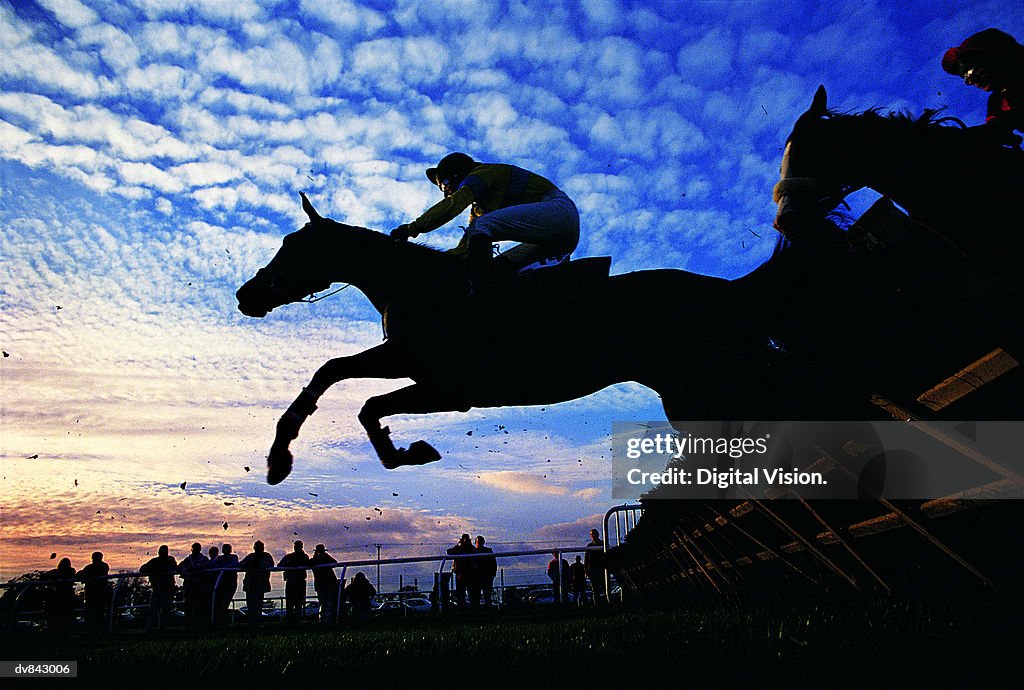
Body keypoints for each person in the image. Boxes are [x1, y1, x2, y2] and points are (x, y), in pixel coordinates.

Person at [391, 152, 580, 293]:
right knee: (498, 267)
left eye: (445, 183)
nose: (445, 191)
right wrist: (433, 265)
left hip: (559, 211)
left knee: (480, 231)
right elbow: (465, 250)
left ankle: (481, 293)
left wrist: (411, 229)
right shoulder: (480, 210)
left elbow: (453, 204)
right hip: (555, 242)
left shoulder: (483, 173)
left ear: (458, 174)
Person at [941, 28, 1024, 141]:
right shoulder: (998, 104)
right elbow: (994, 130)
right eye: (964, 77)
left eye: (969, 69)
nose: (971, 80)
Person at [139, 545, 178, 632]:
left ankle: (161, 628)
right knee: (154, 609)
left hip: (166, 589)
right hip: (158, 589)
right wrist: (154, 570)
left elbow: (175, 568)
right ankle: (150, 629)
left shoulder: (170, 560)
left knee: (164, 610)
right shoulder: (155, 561)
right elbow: (142, 569)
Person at [238, 540, 274, 626]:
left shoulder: (266, 556)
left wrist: (258, 565)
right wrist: (249, 565)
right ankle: (251, 622)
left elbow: (270, 565)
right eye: (257, 547)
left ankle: (257, 622)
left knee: (258, 604)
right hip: (250, 584)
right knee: (250, 604)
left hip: (260, 584)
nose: (258, 549)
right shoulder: (250, 556)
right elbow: (241, 564)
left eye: (260, 547)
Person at [178, 542, 211, 630]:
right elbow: (180, 567)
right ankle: (188, 626)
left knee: (198, 607)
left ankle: (197, 625)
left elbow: (208, 567)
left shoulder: (203, 560)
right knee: (189, 606)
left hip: (199, 587)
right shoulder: (188, 560)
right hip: (190, 586)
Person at [78, 551, 112, 634]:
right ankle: (94, 630)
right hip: (94, 594)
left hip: (96, 594)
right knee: (93, 612)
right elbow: (81, 574)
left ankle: (96, 630)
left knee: (97, 612)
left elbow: (83, 573)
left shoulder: (101, 566)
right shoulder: (96, 567)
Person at [277, 540, 310, 625]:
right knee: (290, 603)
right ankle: (290, 621)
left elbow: (307, 563)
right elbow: (279, 565)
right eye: (295, 546)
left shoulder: (304, 557)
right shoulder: (289, 557)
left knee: (298, 603)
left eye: (298, 546)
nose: (296, 548)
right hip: (291, 582)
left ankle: (296, 621)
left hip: (299, 582)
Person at [43, 557, 76, 637]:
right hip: (57, 598)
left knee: (65, 616)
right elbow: (44, 577)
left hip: (65, 598)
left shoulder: (70, 571)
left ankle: (63, 633)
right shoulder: (55, 572)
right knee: (57, 616)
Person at [309, 544, 340, 624]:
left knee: (327, 603)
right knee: (324, 603)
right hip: (324, 584)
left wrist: (325, 557)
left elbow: (334, 563)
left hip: (326, 584)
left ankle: (326, 620)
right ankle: (324, 620)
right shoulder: (315, 560)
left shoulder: (323, 559)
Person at [210, 543, 239, 627]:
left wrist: (224, 567)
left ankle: (224, 623)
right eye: (224, 549)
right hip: (221, 584)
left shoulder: (234, 557)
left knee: (225, 604)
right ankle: (220, 623)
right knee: (219, 604)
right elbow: (212, 565)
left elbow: (234, 564)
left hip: (230, 584)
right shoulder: (219, 558)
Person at [446, 533, 476, 608]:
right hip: (464, 573)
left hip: (465, 572)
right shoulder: (469, 548)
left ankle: (464, 606)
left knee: (465, 591)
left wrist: (458, 546)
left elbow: (449, 552)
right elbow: (449, 552)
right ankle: (467, 606)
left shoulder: (469, 548)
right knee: (465, 591)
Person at [474, 536, 497, 609]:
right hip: (476, 576)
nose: (479, 544)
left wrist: (492, 574)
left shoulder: (488, 551)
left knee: (487, 594)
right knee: (476, 594)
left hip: (487, 576)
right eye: (478, 542)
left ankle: (488, 608)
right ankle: (478, 609)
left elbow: (493, 563)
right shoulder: (473, 551)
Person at [584, 528, 606, 606]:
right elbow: (586, 559)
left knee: (604, 586)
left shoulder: (603, 544)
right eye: (591, 534)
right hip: (593, 570)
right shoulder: (589, 546)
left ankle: (606, 602)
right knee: (595, 588)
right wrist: (586, 570)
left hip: (602, 569)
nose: (593, 536)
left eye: (594, 534)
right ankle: (596, 603)